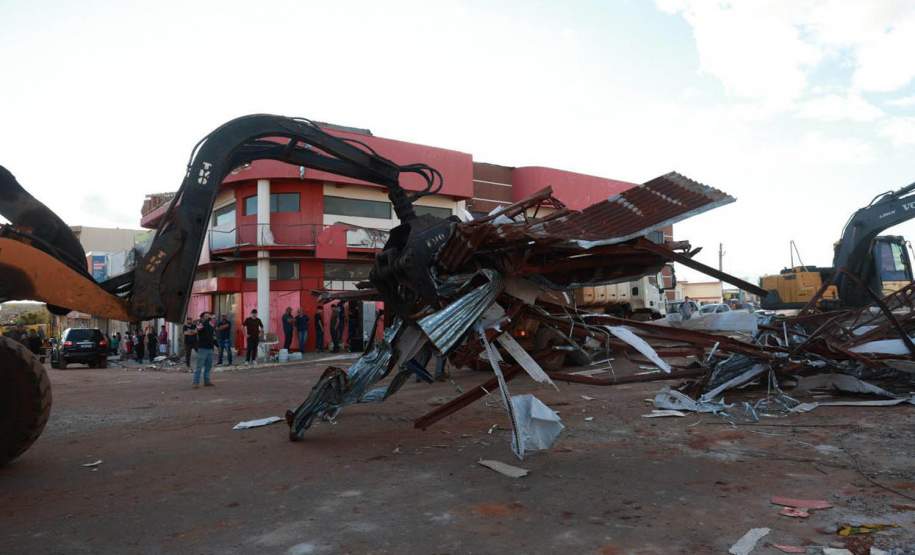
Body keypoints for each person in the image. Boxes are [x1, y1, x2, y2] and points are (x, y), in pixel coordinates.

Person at [193, 312, 216, 388]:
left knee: (208, 366)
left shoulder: (211, 324)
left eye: (208, 315)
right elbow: (198, 329)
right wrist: (205, 321)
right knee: (199, 366)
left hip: (210, 348)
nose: (208, 316)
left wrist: (216, 345)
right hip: (202, 348)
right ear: (202, 317)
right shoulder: (200, 323)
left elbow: (213, 335)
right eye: (206, 316)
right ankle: (195, 383)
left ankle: (207, 381)